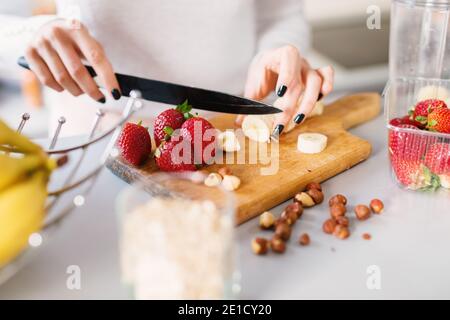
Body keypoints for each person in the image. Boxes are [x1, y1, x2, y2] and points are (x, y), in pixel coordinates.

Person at [0, 0, 334, 137]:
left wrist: (274, 52)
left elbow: (279, 14)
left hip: (229, 129)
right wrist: (31, 34)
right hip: (97, 139)